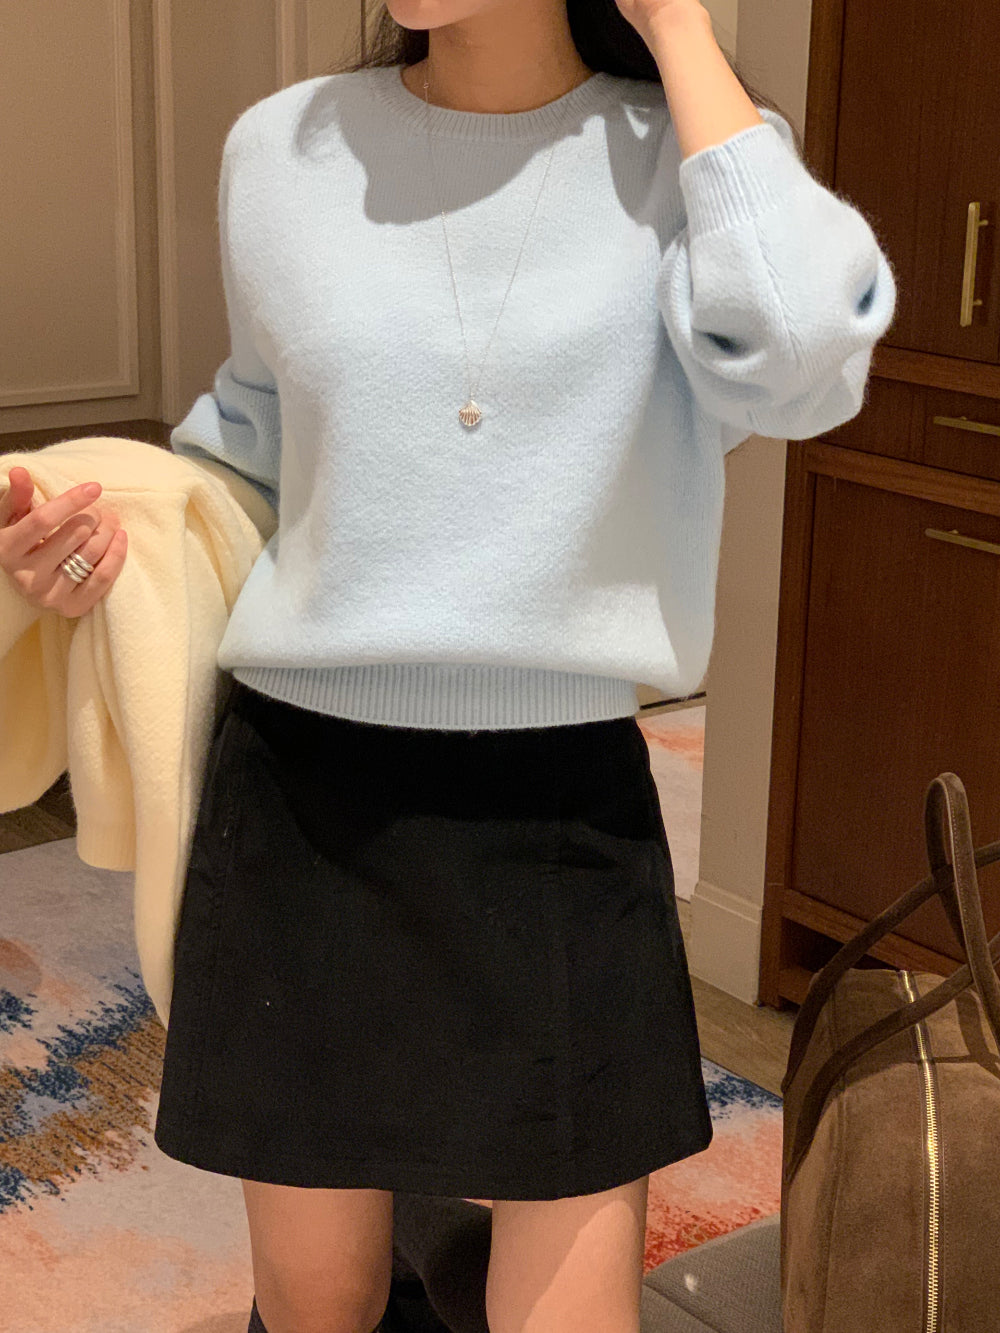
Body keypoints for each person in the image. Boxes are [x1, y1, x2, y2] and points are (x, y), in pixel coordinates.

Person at [1, 0, 897, 1329]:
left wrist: (679, 28)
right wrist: (110, 541)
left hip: (555, 811)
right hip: (302, 804)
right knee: (317, 1305)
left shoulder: (688, 158)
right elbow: (251, 451)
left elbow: (804, 361)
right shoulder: (283, 150)